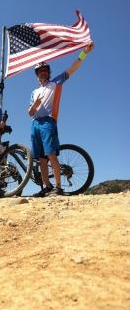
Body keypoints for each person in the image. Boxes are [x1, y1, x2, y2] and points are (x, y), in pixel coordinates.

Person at [28, 43, 94, 197]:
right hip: (35, 124)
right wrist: (35, 105)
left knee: (51, 154)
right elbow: (30, 113)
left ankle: (58, 187)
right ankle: (47, 187)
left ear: (48, 73)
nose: (43, 73)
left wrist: (84, 52)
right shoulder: (33, 92)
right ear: (37, 74)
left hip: (48, 122)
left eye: (45, 70)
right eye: (40, 71)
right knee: (41, 159)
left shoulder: (55, 82)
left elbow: (73, 68)